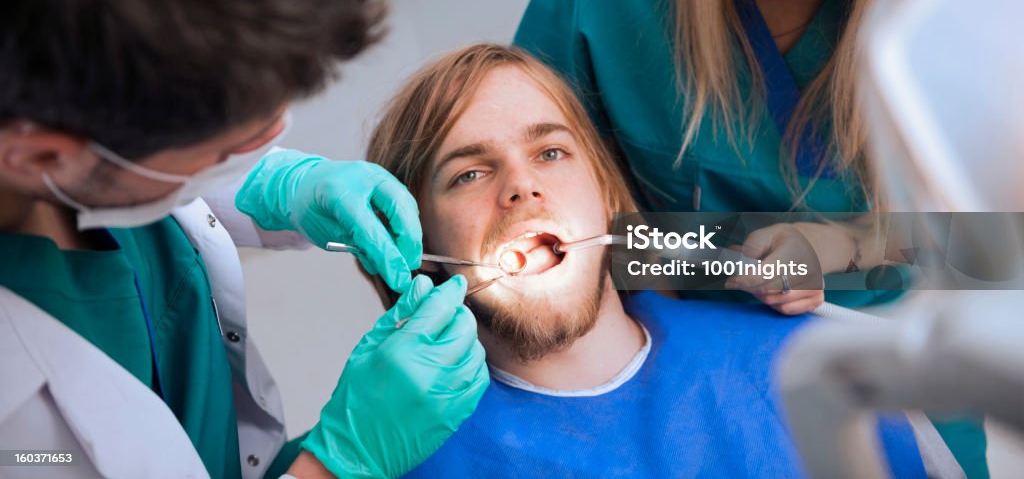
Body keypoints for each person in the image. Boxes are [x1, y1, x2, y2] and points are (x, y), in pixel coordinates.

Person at [0, 0, 486, 478]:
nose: (266, 144)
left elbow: (159, 174)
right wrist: (334, 465)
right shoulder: (19, 444)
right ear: (45, 154)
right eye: (225, 149)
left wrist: (275, 187)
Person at [513, 0, 986, 470]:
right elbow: (547, 232)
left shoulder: (949, 28)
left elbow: (989, 242)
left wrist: (844, 245)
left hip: (877, 366)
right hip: (662, 363)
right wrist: (704, 254)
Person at [361, 44, 960, 478]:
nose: (521, 186)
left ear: (607, 197)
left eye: (550, 151)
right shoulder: (390, 452)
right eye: (468, 173)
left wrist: (847, 248)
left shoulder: (813, 367)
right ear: (419, 252)